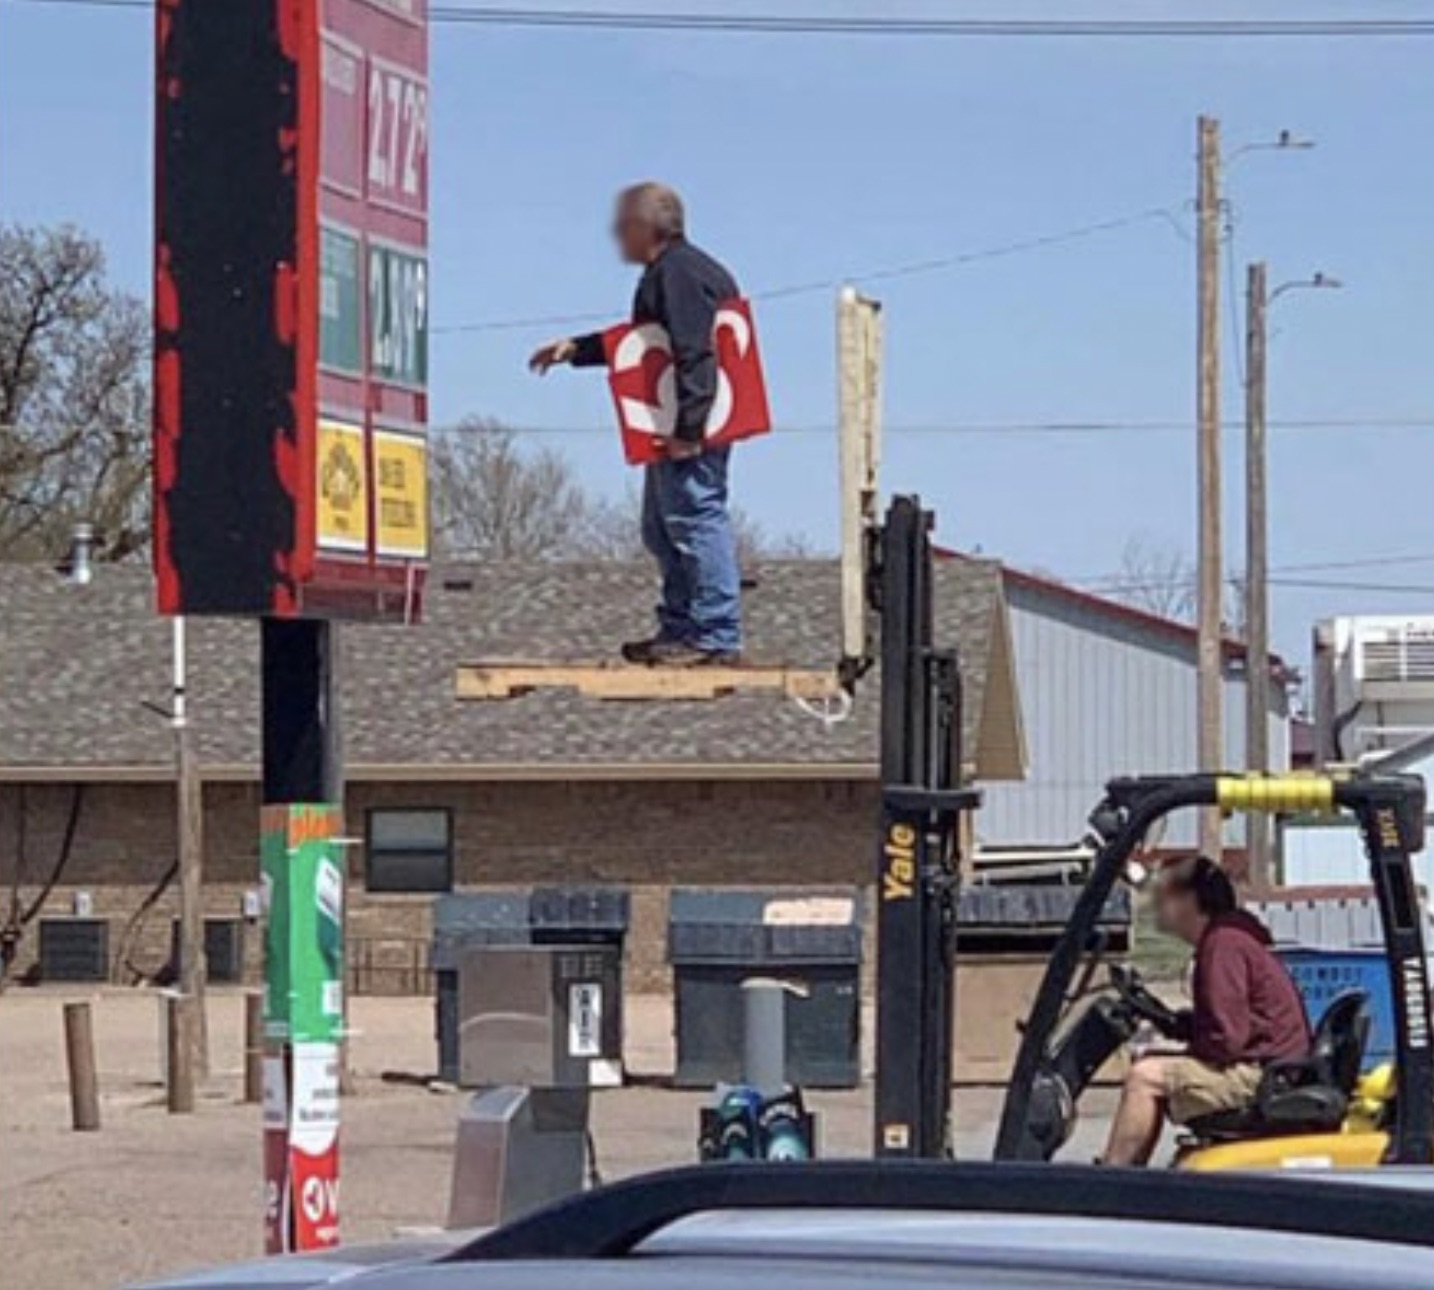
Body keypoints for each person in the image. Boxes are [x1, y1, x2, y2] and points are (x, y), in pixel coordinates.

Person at [529, 182, 743, 666]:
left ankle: (716, 632)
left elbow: (694, 352)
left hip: (691, 427)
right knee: (662, 528)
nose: (615, 235)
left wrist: (689, 431)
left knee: (695, 517)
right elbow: (647, 346)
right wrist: (576, 349)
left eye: (622, 225)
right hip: (676, 424)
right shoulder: (675, 272)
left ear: (646, 227)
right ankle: (681, 627)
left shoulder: (680, 275)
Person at [1101, 854, 1310, 1166]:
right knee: (1151, 1062)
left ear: (1187, 900)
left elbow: (1227, 1039)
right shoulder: (1232, 935)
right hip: (1269, 1066)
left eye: (1162, 895)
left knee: (1143, 1077)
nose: (1156, 906)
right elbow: (1229, 1022)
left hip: (1260, 1075)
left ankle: (1111, 1181)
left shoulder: (1223, 944)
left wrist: (1187, 1048)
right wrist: (1177, 1024)